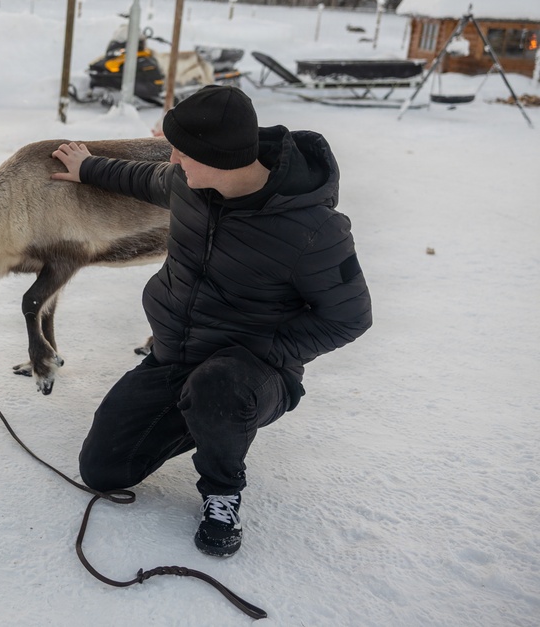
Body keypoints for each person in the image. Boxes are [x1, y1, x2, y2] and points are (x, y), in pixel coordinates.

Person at [50, 85, 372, 557]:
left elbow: (350, 318)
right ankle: (202, 411)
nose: (174, 159)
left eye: (183, 151)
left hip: (250, 372)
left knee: (218, 388)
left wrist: (262, 351)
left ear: (220, 158)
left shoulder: (314, 230)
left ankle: (222, 490)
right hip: (175, 353)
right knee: (102, 470)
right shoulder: (189, 182)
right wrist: (87, 167)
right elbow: (143, 178)